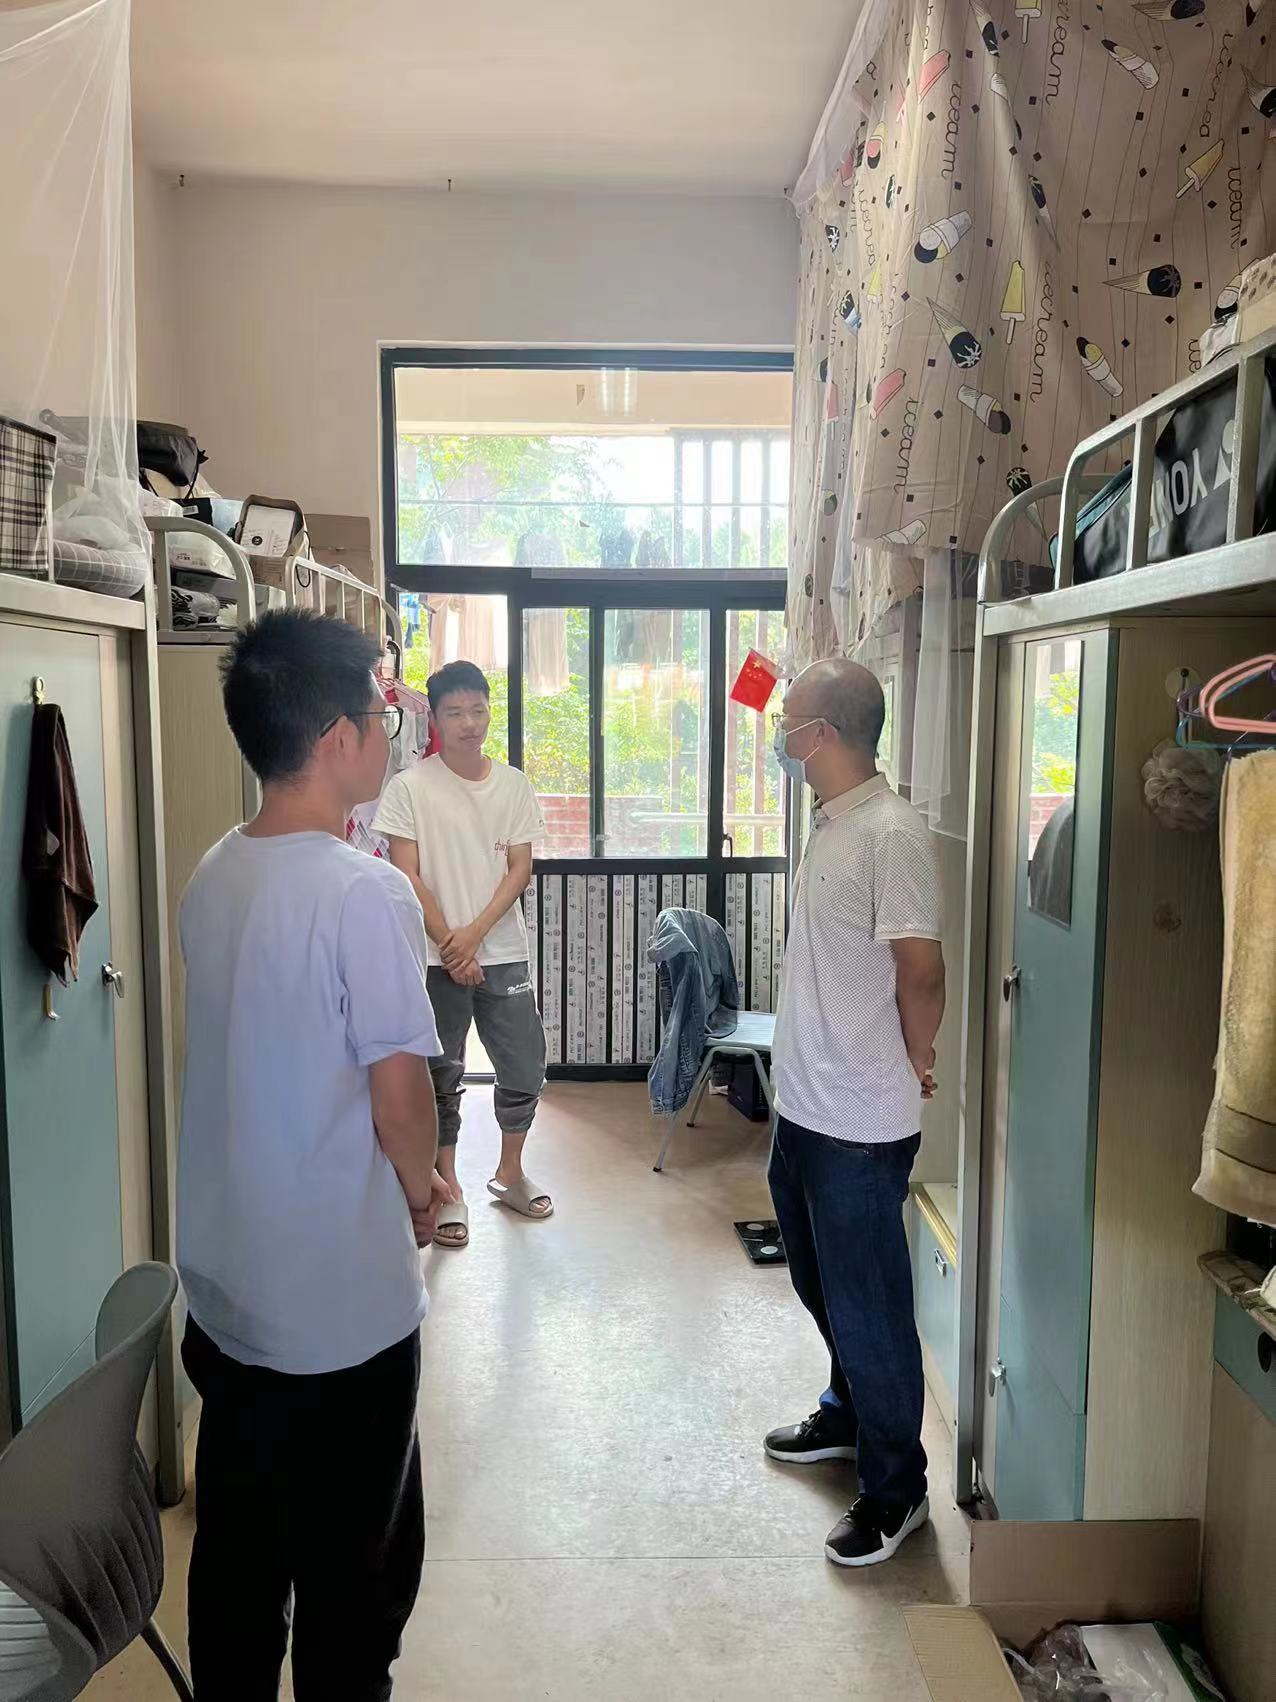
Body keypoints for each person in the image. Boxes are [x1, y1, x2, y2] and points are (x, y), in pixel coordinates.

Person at [176, 609, 450, 1701]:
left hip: (229, 1299)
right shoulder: (363, 892)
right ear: (338, 738)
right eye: (385, 712)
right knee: (353, 1592)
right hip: (340, 1320)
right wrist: (424, 1190)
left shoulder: (216, 871)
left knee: (237, 1572)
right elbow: (401, 1099)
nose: (393, 731)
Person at [764, 658, 946, 1569]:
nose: (779, 733)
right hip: (802, 1106)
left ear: (823, 734)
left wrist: (920, 1053)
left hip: (859, 1124)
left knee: (870, 1306)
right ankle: (847, 1415)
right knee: (820, 1283)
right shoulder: (831, 821)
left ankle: (897, 1488)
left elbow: (921, 967)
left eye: (788, 721)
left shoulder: (891, 834)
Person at [375, 658, 550, 1248]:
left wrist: (472, 937)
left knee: (524, 1065)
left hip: (501, 952)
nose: (469, 723)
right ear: (435, 719)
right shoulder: (409, 787)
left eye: (478, 710)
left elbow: (519, 869)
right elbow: (406, 873)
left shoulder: (513, 785)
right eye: (455, 712)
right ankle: (448, 1188)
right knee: (441, 1074)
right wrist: (453, 946)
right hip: (433, 959)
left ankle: (510, 1172)